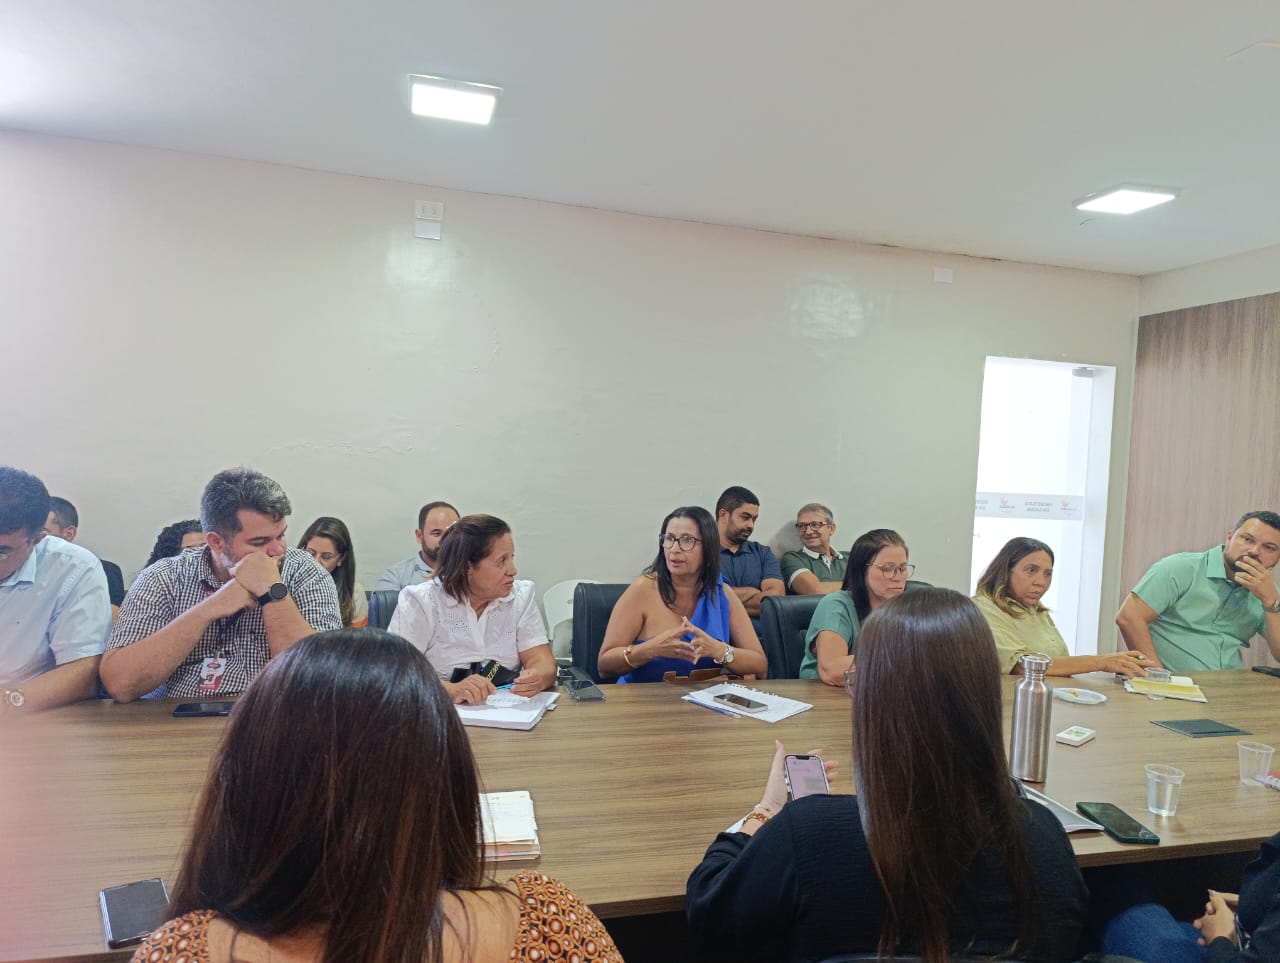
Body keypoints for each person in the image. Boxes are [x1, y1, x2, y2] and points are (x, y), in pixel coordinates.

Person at [130, 629, 624, 963]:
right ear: (443, 775)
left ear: (250, 780)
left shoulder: (181, 951)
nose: (510, 570)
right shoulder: (548, 925)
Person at [685, 588, 1088, 962]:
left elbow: (708, 917)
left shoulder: (807, 835)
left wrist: (765, 811)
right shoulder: (1044, 841)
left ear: (876, 696)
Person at [100, 468, 342, 702]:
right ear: (216, 542)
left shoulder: (307, 573)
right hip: (175, 720)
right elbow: (121, 685)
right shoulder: (163, 577)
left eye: (280, 535)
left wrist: (272, 591)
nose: (278, 550)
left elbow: (322, 681)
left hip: (272, 718)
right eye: (259, 542)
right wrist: (211, 607)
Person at [387, 514, 556, 705]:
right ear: (467, 567)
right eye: (501, 561)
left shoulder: (520, 596)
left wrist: (538, 677)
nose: (513, 570)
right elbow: (395, 674)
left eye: (511, 558)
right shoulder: (421, 602)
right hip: (437, 713)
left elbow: (541, 660)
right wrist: (449, 690)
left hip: (508, 712)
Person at [597, 506, 769, 682]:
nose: (674, 549)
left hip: (701, 697)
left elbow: (760, 666)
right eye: (669, 539)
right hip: (640, 697)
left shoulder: (721, 593)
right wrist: (649, 650)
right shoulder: (643, 589)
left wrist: (719, 650)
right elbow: (604, 665)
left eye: (687, 540)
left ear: (707, 548)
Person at [0, 466, 110, 713]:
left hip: (29, 714)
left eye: (1, 551)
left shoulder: (74, 568)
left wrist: (8, 702)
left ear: (37, 539)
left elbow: (84, 672)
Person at [1115, 511, 1280, 671]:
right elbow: (1129, 617)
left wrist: (1270, 602)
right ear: (1230, 537)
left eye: (1269, 548)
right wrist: (1155, 675)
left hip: (1230, 685)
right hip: (1172, 682)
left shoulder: (1269, 594)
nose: (1254, 551)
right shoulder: (1180, 568)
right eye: (1247, 539)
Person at [975, 536, 1147, 677]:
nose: (1041, 582)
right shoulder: (983, 608)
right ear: (1005, 571)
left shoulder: (1036, 609)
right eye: (1031, 570)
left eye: (1047, 574)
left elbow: (1057, 660)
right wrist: (1100, 662)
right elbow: (1021, 665)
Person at [1098, 832, 1280, 962]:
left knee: (1111, 879)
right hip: (1249, 942)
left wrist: (1220, 938)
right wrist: (1256, 906)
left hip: (1232, 953)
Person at [799, 528, 910, 684]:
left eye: (902, 569)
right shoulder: (836, 605)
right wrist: (904, 660)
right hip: (826, 695)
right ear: (861, 571)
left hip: (883, 692)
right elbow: (832, 670)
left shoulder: (908, 607)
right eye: (887, 569)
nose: (898, 577)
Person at [44, 495, 127, 614]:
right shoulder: (20, 567)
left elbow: (111, 620)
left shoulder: (104, 571)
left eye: (42, 531)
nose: (32, 539)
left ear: (69, 534)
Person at [715, 486, 784, 620]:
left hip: (762, 632)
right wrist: (753, 592)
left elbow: (775, 601)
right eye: (745, 517)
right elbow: (703, 598)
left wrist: (725, 597)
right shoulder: (699, 552)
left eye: (754, 519)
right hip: (715, 631)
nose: (751, 525)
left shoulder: (763, 553)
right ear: (723, 515)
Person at [373, 500, 460, 592]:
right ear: (419, 536)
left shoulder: (469, 573)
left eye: (452, 533)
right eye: (437, 533)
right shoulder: (396, 577)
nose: (446, 540)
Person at [299, 516, 368, 627]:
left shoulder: (354, 592)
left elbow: (357, 637)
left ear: (341, 558)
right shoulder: (286, 580)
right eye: (311, 553)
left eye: (326, 557)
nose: (315, 562)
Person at [779, 502, 847, 595]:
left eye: (815, 525)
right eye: (802, 526)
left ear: (831, 528)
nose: (808, 531)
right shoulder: (793, 559)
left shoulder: (851, 557)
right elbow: (815, 590)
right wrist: (859, 585)